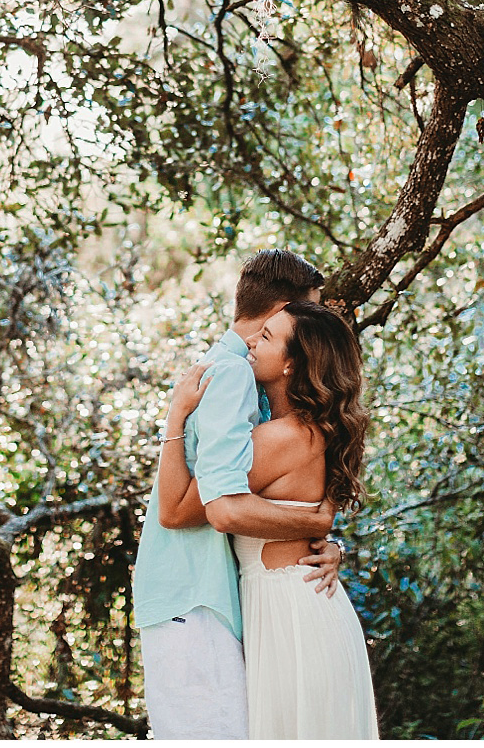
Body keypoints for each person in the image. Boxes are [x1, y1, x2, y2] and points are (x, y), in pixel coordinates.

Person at [131, 250, 345, 740]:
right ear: (279, 314)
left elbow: (267, 484)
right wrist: (314, 524)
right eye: (304, 313)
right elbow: (188, 509)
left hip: (200, 592)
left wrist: (327, 542)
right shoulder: (232, 375)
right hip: (195, 594)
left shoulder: (233, 371)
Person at [159, 301, 378, 739]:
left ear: (291, 364)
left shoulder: (278, 437)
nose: (252, 341)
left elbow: (176, 511)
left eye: (268, 337)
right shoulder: (311, 430)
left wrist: (175, 416)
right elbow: (312, 516)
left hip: (290, 618)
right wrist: (321, 530)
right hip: (300, 606)